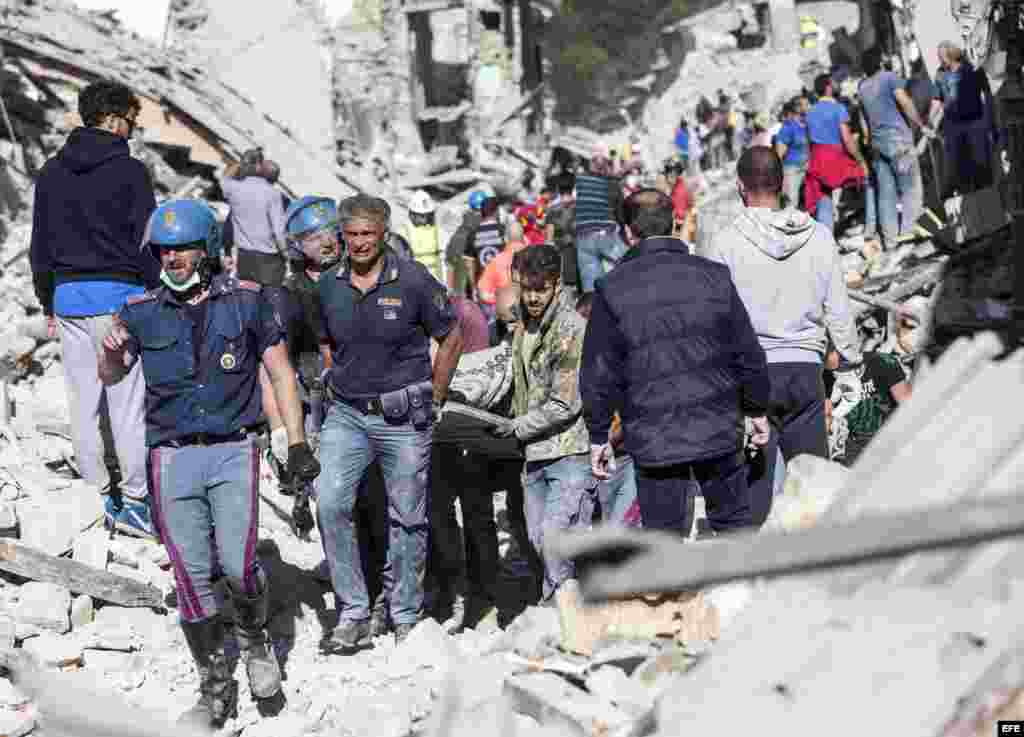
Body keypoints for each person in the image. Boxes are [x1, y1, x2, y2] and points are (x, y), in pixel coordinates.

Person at [97, 199, 320, 731]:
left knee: (239, 567)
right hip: (171, 458)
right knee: (193, 576)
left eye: (184, 248)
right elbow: (110, 375)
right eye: (164, 250)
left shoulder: (247, 303)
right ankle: (215, 688)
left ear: (208, 250)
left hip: (232, 450)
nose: (173, 259)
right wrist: (109, 349)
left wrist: (295, 441)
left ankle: (255, 640)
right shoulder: (140, 310)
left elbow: (282, 374)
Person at [316, 195, 464, 650]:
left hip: (404, 417)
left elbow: (452, 334)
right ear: (342, 236)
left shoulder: (414, 280)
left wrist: (436, 395)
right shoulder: (327, 286)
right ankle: (354, 610)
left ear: (383, 235)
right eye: (352, 235)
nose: (360, 243)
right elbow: (325, 342)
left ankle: (404, 614)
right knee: (331, 504)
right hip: (346, 414)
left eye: (368, 235)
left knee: (407, 517)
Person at [582, 190, 770, 538]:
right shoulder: (714, 275)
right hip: (717, 427)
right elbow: (747, 352)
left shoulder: (611, 288)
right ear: (674, 223)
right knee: (735, 530)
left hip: (655, 438)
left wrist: (598, 435)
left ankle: (677, 594)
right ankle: (744, 591)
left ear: (627, 233)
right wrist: (757, 408)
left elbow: (599, 372)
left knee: (664, 544)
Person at [701, 147, 862, 526]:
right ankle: (817, 571)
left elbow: (714, 321)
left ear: (740, 187)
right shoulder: (818, 236)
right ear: (783, 184)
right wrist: (850, 363)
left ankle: (754, 574)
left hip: (751, 377)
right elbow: (838, 309)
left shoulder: (725, 243)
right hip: (806, 373)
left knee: (754, 493)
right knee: (814, 488)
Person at [29, 80, 158, 536]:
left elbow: (39, 246)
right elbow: (147, 243)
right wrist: (153, 290)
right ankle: (138, 503)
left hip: (67, 299)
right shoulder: (131, 172)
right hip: (117, 300)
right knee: (126, 406)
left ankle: (98, 497)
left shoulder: (50, 172)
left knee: (84, 401)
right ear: (114, 118)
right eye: (132, 122)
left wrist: (48, 299)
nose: (133, 131)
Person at [491, 244, 592, 602]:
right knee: (537, 539)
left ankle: (567, 615)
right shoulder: (521, 326)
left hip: (568, 451)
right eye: (528, 289)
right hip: (532, 455)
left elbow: (565, 402)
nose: (533, 298)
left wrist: (515, 427)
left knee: (557, 539)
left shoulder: (571, 329)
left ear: (557, 285)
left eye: (541, 289)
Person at [428, 295, 498, 631]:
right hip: (431, 425)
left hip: (467, 419)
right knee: (438, 511)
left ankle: (485, 593)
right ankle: (450, 588)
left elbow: (479, 375)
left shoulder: (466, 314)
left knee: (476, 510)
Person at [858, 46, 929, 248]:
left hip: (877, 146)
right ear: (881, 61)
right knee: (911, 188)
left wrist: (869, 139)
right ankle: (908, 234)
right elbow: (904, 101)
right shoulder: (889, 78)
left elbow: (863, 120)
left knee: (886, 194)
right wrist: (921, 124)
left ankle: (890, 241)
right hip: (899, 142)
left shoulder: (862, 87)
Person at [803, 73, 865, 229]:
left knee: (823, 198)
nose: (838, 85)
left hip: (817, 159)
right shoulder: (838, 108)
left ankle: (827, 239)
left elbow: (808, 141)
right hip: (836, 157)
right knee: (866, 180)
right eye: (835, 82)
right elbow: (847, 139)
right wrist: (860, 160)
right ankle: (868, 225)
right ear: (829, 87)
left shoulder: (810, 113)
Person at [218, 151, 288, 287]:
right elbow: (279, 231)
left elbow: (224, 178)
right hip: (269, 260)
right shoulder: (274, 194)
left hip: (245, 259)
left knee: (248, 299)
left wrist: (242, 163)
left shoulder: (234, 189)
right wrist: (286, 254)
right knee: (271, 301)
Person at [936, 41, 995, 197]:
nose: (940, 60)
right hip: (955, 129)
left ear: (951, 55)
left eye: (941, 57)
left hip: (975, 123)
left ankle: (990, 205)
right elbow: (938, 102)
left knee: (982, 168)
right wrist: (932, 125)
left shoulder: (972, 68)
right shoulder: (940, 74)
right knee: (962, 172)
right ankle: (971, 210)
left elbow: (987, 93)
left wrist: (989, 119)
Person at [575, 149, 626, 294]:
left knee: (591, 290)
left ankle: (593, 310)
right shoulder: (611, 184)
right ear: (606, 166)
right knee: (630, 266)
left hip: (583, 238)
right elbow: (621, 215)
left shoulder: (580, 182)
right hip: (606, 236)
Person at [477, 220, 529, 308]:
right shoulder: (536, 257)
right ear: (524, 238)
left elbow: (484, 294)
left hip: (507, 313)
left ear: (505, 239)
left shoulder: (495, 262)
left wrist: (501, 299)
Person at [446, 190, 486, 298]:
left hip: (461, 293)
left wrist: (450, 289)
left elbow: (450, 264)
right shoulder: (488, 229)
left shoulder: (459, 233)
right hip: (481, 290)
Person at [775, 99, 810, 209]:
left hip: (808, 167)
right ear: (798, 108)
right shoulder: (788, 127)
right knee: (791, 203)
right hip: (792, 169)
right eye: (807, 104)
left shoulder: (807, 125)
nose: (810, 107)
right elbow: (779, 153)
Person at [404, 189, 444, 281]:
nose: (425, 220)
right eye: (422, 216)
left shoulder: (435, 229)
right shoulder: (404, 231)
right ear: (412, 214)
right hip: (414, 279)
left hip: (434, 278)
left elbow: (440, 258)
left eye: (427, 215)